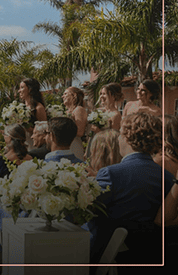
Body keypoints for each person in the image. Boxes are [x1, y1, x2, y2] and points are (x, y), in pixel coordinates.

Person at [87, 112, 172, 265]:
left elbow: (89, 212)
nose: (118, 139)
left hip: (106, 255)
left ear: (126, 137)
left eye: (120, 133)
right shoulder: (166, 176)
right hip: (149, 255)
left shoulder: (111, 173)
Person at [18, 78, 47, 149]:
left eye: (22, 87)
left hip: (32, 144)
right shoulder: (19, 108)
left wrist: (29, 128)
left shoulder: (38, 108)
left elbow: (43, 132)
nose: (19, 91)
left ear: (30, 89)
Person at [62, 86, 87, 160]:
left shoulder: (79, 110)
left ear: (74, 95)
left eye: (65, 94)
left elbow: (80, 132)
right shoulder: (65, 112)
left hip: (74, 144)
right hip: (64, 145)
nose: (62, 96)